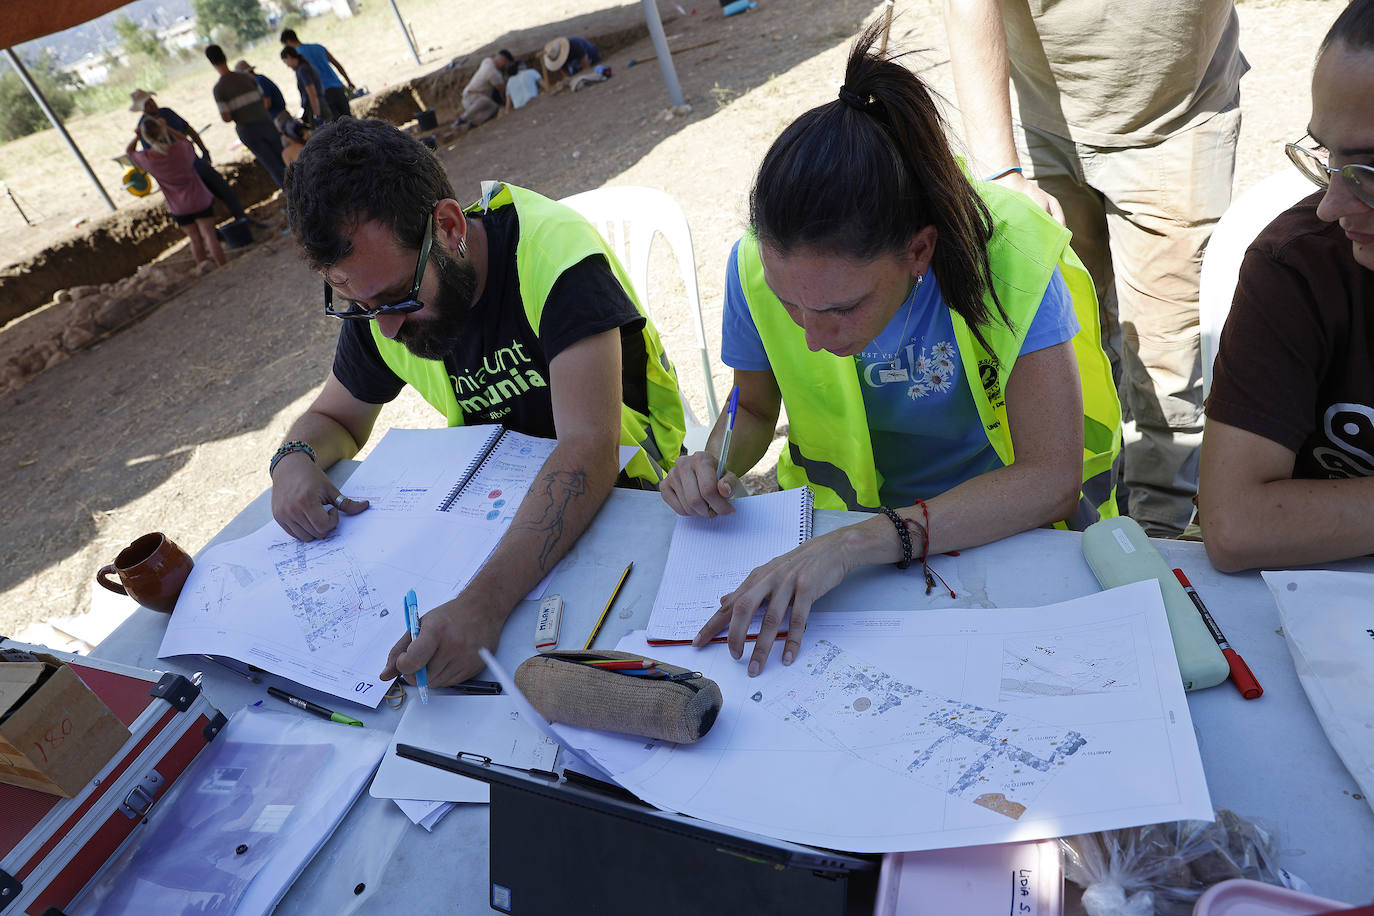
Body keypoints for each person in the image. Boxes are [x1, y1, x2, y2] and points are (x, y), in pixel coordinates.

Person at [660, 24, 1121, 676]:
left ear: (919, 252)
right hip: (849, 548)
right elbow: (755, 409)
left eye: (842, 309)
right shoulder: (754, 266)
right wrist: (711, 459)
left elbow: (1050, 481)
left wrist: (859, 544)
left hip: (999, 538)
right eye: (792, 308)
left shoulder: (1009, 249)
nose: (814, 339)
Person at [275, 118, 687, 685]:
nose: (387, 329)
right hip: (502, 518)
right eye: (356, 301)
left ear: (447, 226)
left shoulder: (554, 259)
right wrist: (294, 457)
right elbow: (334, 417)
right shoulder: (379, 296)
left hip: (636, 499)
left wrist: (483, 605)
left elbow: (589, 450)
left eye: (398, 298)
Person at [943, 0, 1247, 537]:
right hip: (1036, 119)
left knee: (1167, 356)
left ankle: (1161, 534)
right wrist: (1000, 170)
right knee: (1063, 345)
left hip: (1177, 117)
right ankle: (1085, 519)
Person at [1199, 0, 1374, 572]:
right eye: (1327, 157)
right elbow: (1236, 525)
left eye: (1369, 172)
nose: (1332, 205)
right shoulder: (1298, 264)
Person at [129, 88, 256, 227]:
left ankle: (242, 218)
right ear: (142, 109)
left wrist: (204, 150)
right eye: (147, 104)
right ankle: (216, 232)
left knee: (222, 187)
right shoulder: (145, 127)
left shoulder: (167, 112)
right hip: (180, 170)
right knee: (199, 202)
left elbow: (189, 130)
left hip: (194, 161)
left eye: (151, 101)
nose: (152, 105)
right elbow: (154, 156)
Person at [126, 119, 226, 269]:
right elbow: (186, 141)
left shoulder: (148, 159)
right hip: (199, 199)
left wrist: (137, 136)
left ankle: (203, 269)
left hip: (178, 207)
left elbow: (129, 152)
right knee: (209, 235)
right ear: (162, 131)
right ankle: (223, 266)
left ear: (147, 137)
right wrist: (167, 128)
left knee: (195, 239)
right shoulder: (180, 149)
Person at [206, 44, 286, 190]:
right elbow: (263, 100)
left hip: (248, 131)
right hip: (266, 122)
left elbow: (227, 117)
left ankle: (294, 201)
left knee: (272, 166)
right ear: (225, 56)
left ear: (211, 63)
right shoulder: (248, 77)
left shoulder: (219, 89)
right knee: (285, 159)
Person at [280, 28, 355, 120]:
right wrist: (349, 81)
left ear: (288, 42)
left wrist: (316, 112)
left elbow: (309, 86)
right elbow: (337, 64)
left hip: (323, 94)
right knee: (350, 121)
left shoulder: (297, 58)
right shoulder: (318, 47)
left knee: (337, 127)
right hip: (337, 87)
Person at [453, 49, 512, 129]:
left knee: (488, 102)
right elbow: (504, 90)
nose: (506, 67)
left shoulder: (487, 61)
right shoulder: (493, 73)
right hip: (472, 99)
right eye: (506, 64)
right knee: (493, 107)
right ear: (503, 61)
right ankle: (465, 120)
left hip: (467, 97)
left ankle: (468, 120)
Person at [234, 60, 288, 133]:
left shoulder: (260, 81)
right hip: (277, 116)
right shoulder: (259, 79)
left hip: (279, 116)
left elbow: (267, 104)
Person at [280, 45, 328, 125]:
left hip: (317, 107)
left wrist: (317, 115)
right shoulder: (303, 67)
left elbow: (312, 94)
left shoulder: (302, 70)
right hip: (319, 105)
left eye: (285, 62)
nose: (287, 66)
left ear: (289, 56)